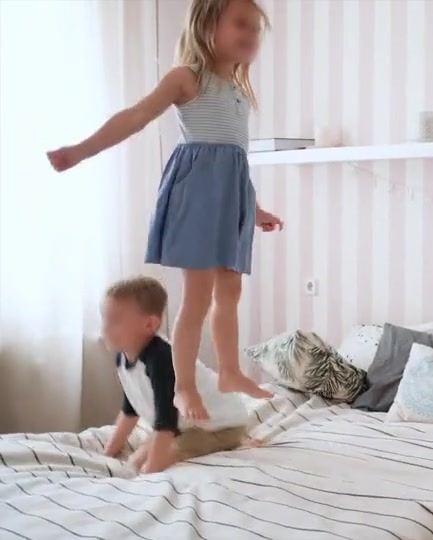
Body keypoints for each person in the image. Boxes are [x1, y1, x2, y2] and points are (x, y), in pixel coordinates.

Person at [47, 0, 277, 421]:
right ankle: (183, 387)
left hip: (233, 201)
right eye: (240, 24)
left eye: (255, 28)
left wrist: (255, 208)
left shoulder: (239, 92)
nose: (250, 34)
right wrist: (81, 150)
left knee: (231, 291)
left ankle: (229, 371)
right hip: (198, 197)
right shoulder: (187, 78)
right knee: (197, 297)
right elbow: (136, 116)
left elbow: (235, 162)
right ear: (207, 26)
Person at [100, 277, 254, 473]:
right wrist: (108, 453)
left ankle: (236, 439)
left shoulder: (161, 359)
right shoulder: (122, 357)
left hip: (221, 424)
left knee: (146, 465)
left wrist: (151, 469)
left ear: (149, 324)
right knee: (134, 461)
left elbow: (166, 421)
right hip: (185, 425)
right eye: (104, 318)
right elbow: (131, 408)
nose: (105, 327)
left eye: (115, 321)